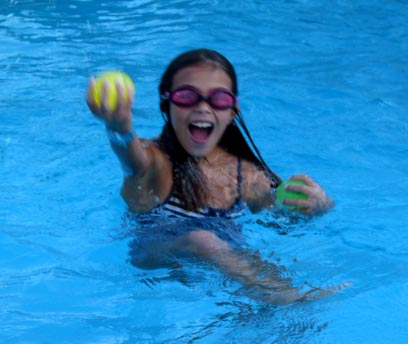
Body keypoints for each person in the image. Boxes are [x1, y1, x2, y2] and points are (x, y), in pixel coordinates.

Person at [86, 48, 342, 304]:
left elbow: (280, 222)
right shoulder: (154, 162)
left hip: (222, 272)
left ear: (232, 110)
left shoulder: (246, 175)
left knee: (240, 254)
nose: (202, 107)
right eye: (187, 96)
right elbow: (130, 158)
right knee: (202, 240)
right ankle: (284, 297)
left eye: (218, 99)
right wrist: (119, 128)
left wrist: (318, 206)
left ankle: (266, 306)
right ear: (167, 104)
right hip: (156, 263)